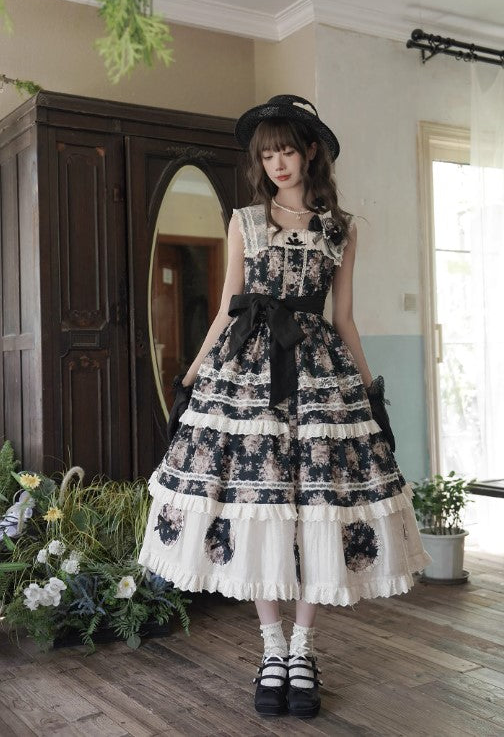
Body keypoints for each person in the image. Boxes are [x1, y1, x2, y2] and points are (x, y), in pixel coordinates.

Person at [137, 95, 431, 719]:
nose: (276, 163)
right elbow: (228, 308)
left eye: (287, 151)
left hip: (319, 374)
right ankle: (271, 647)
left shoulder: (340, 228)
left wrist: (369, 391)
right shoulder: (244, 221)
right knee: (257, 506)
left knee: (318, 508)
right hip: (248, 373)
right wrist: (190, 376)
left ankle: (303, 649)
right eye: (267, 154)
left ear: (310, 152)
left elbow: (343, 317)